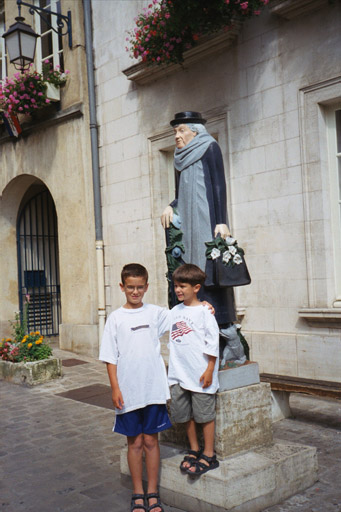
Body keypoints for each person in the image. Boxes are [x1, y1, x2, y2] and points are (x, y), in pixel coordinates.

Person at [99, 263, 171, 512]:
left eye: (140, 287)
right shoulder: (115, 318)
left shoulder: (155, 313)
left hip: (153, 390)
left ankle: (153, 492)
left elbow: (183, 313)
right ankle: (137, 492)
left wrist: (204, 306)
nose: (136, 292)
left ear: (147, 287)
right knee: (135, 443)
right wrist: (115, 388)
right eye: (131, 287)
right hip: (128, 392)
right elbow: (110, 357)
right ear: (122, 287)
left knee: (151, 441)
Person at [161, 111, 236, 328]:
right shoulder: (179, 156)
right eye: (175, 131)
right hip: (187, 221)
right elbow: (179, 192)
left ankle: (220, 323)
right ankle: (190, 314)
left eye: (182, 130)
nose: (177, 136)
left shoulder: (210, 147)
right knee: (186, 262)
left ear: (196, 131)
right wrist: (171, 206)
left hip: (207, 217)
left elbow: (219, 184)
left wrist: (221, 221)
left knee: (209, 264)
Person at [167, 263, 220, 477]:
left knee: (204, 414)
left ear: (196, 287)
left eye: (183, 286)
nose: (178, 290)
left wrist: (210, 369)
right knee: (185, 413)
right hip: (179, 373)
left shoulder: (205, 312)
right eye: (176, 286)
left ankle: (209, 453)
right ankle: (193, 448)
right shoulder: (173, 311)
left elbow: (213, 342)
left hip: (200, 374)